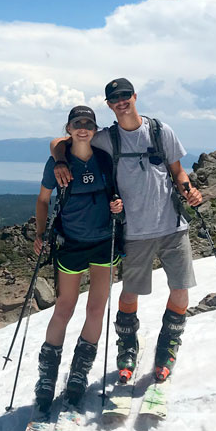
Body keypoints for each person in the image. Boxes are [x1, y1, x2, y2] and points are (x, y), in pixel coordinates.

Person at [51, 78, 203, 383]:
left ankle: (167, 347)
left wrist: (188, 188)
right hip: (133, 231)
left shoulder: (160, 131)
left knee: (180, 289)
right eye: (114, 98)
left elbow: (177, 170)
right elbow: (61, 142)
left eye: (125, 95)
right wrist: (58, 160)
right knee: (130, 293)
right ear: (109, 104)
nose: (121, 101)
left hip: (172, 224)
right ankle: (127, 346)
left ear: (134, 96)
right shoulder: (107, 138)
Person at [32, 105, 124, 414]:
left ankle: (79, 373)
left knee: (96, 308)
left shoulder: (103, 159)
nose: (83, 128)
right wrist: (40, 233)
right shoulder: (57, 161)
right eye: (77, 123)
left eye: (88, 123)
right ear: (69, 128)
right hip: (71, 243)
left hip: (103, 242)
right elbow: (43, 200)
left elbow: (116, 194)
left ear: (95, 129)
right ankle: (47, 377)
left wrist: (117, 208)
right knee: (64, 307)